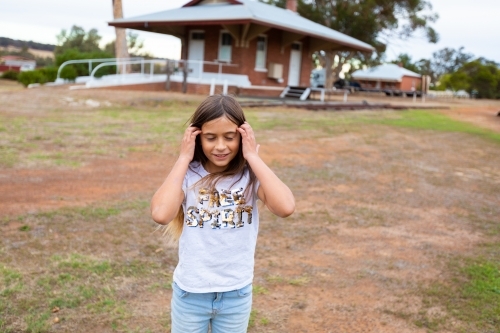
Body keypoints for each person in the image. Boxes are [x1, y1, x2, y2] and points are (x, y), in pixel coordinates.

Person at [150, 94, 295, 333]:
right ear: (197, 138)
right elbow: (161, 214)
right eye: (210, 138)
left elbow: (286, 207)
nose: (220, 146)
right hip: (191, 293)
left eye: (229, 137)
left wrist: (253, 157)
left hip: (235, 293)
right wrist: (184, 157)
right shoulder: (188, 175)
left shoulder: (250, 176)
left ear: (242, 136)